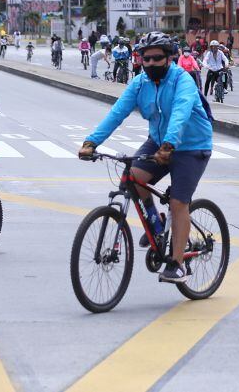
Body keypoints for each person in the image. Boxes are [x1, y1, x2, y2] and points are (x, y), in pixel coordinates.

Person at [79, 32, 213, 283]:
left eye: (156, 59)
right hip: (159, 141)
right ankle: (156, 223)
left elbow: (181, 114)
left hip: (192, 145)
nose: (150, 64)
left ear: (169, 57)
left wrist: (169, 145)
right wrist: (92, 142)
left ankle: (176, 263)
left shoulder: (182, 80)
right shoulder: (140, 83)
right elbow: (117, 113)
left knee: (178, 202)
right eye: (145, 59)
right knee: (132, 176)